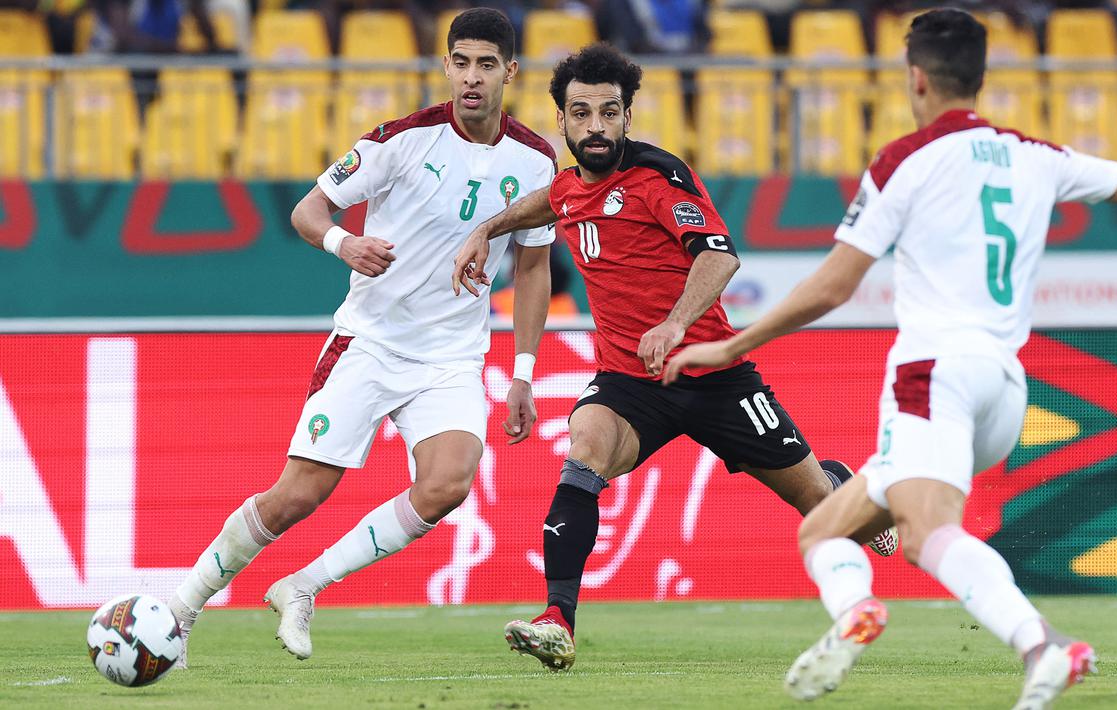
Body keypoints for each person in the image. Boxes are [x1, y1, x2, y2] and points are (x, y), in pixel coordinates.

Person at [663, 8, 1117, 708]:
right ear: (979, 78)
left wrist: (734, 342)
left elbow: (834, 285)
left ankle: (1042, 643)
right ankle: (854, 612)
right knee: (824, 530)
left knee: (926, 533)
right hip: (1003, 391)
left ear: (915, 78)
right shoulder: (1037, 155)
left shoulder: (903, 161)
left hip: (933, 378)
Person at [451, 43, 897, 673]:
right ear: (563, 122)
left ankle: (844, 488)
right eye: (581, 114)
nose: (596, 127)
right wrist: (485, 229)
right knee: (585, 450)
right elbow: (550, 200)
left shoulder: (660, 176)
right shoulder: (570, 187)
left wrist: (675, 322)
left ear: (628, 116)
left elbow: (719, 256)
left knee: (821, 508)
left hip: (714, 375)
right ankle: (558, 619)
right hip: (628, 383)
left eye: (609, 113)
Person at [168, 7, 558, 666]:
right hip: (370, 342)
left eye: (486, 65)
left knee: (448, 483)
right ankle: (181, 611)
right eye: (461, 62)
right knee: (297, 496)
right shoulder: (400, 140)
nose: (472, 77)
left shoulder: (537, 161)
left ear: (510, 72)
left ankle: (303, 585)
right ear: (445, 66)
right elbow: (308, 210)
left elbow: (533, 266)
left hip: (451, 357)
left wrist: (522, 371)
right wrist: (343, 243)